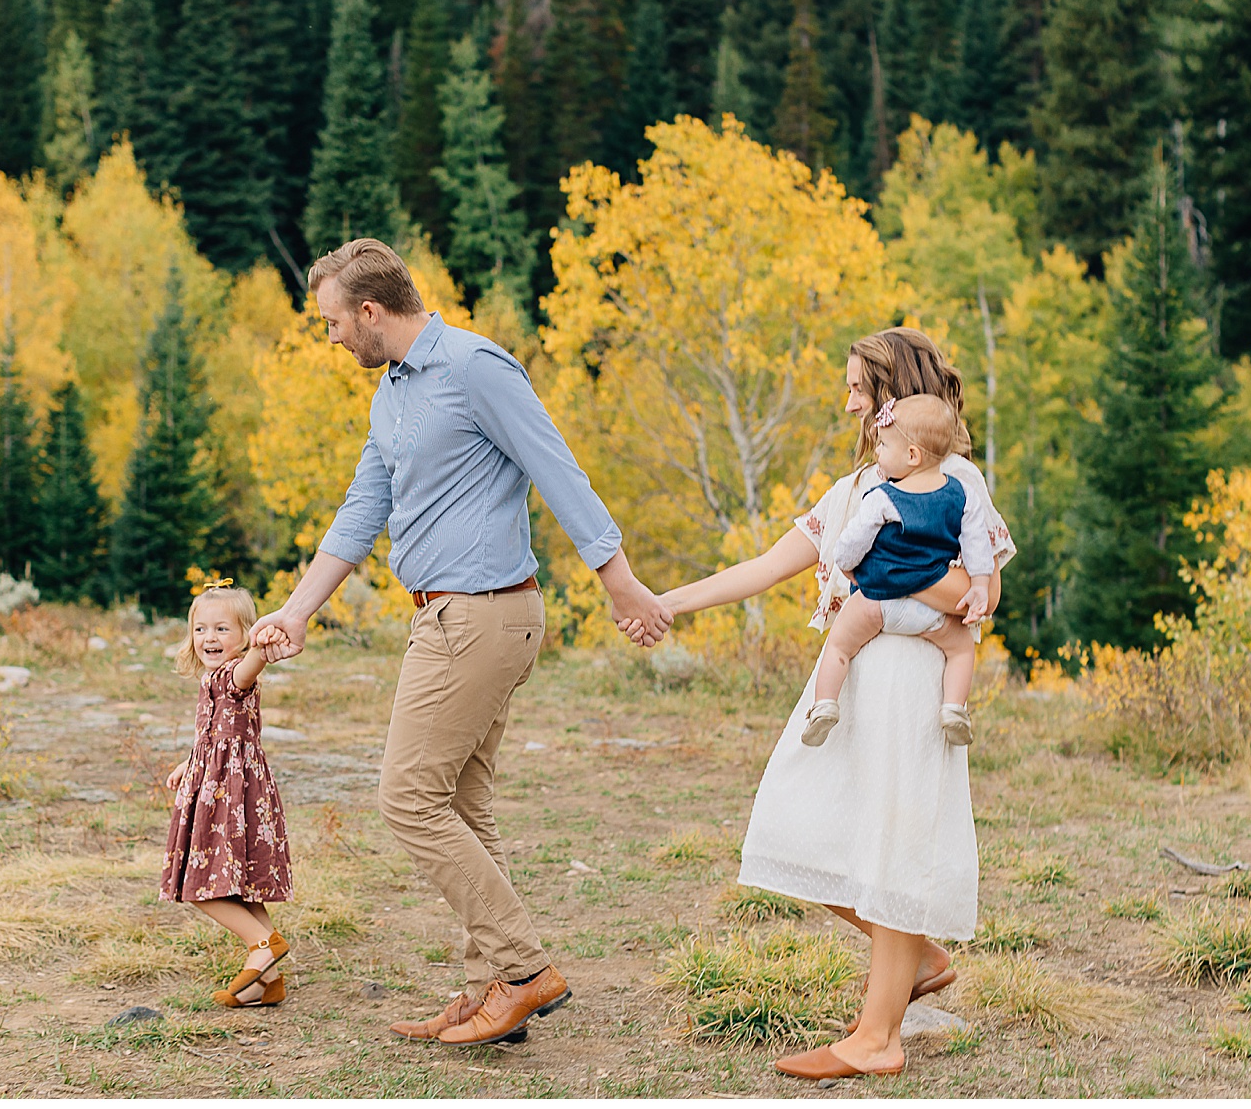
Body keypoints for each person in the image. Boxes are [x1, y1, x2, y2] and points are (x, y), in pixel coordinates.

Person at [250, 238, 672, 1047]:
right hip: (445, 615)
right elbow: (360, 508)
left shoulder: (478, 368)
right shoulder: (392, 393)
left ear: (371, 311)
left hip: (482, 615)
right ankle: (492, 995)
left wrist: (619, 581)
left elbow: (559, 469)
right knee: (463, 804)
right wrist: (297, 610)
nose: (329, 337)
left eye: (333, 322)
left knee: (407, 797)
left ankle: (522, 969)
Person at [623, 327, 1014, 1080]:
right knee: (792, 824)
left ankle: (878, 1039)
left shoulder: (955, 480)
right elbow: (766, 566)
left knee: (892, 846)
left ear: (893, 397)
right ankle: (917, 958)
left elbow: (974, 596)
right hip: (852, 679)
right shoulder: (859, 488)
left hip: (910, 679)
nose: (848, 403)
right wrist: (662, 603)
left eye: (857, 389)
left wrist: (886, 573)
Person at [804, 393, 994, 749]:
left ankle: (824, 705)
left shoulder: (881, 496)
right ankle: (954, 708)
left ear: (911, 455)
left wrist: (847, 569)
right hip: (932, 611)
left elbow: (850, 545)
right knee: (962, 650)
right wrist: (979, 585)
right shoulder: (962, 494)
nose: (877, 452)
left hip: (878, 600)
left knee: (839, 645)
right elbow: (977, 548)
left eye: (884, 445)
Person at [161, 581, 293, 1009]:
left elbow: (249, 667)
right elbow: (215, 734)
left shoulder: (236, 674)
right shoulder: (209, 679)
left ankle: (262, 944)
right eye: (201, 629)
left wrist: (262, 644)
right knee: (241, 884)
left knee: (202, 883)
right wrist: (191, 762)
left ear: (244, 635)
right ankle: (267, 982)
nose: (210, 639)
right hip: (218, 782)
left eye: (222, 629)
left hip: (231, 795)